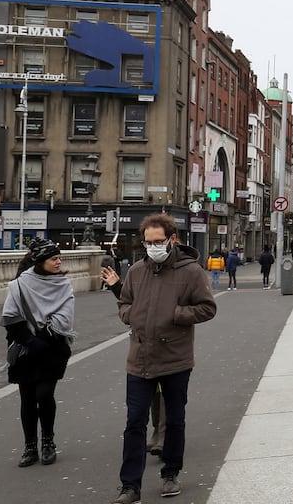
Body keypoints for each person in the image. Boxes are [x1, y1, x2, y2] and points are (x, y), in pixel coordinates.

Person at [112, 213, 217, 504]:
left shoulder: (191, 272)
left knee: (174, 420)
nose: (153, 247)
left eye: (158, 242)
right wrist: (131, 315)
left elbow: (207, 308)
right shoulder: (136, 271)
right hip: (140, 358)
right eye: (148, 242)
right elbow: (124, 302)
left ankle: (170, 473)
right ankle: (130, 486)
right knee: (134, 422)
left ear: (172, 239)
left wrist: (176, 314)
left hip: (175, 359)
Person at [0, 238, 75, 468]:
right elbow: (10, 316)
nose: (59, 262)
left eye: (59, 258)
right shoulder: (19, 285)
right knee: (27, 398)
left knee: (44, 394)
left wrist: (44, 336)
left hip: (53, 347)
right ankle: (30, 446)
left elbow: (65, 316)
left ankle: (48, 441)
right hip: (25, 348)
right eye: (54, 258)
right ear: (41, 261)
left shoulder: (63, 284)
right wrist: (30, 340)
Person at [101, 264, 165, 459]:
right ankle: (158, 431)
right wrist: (116, 286)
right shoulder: (141, 270)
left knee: (165, 386)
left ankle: (164, 434)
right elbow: (135, 301)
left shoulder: (178, 269)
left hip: (168, 339)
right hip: (144, 339)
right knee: (154, 387)